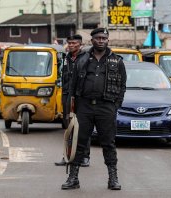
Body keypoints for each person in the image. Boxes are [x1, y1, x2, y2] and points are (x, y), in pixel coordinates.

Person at [61, 28, 127, 190]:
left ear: (107, 40)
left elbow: (122, 86)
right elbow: (72, 86)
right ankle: (73, 178)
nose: (101, 40)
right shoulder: (82, 59)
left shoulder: (117, 61)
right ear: (92, 40)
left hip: (106, 107)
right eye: (98, 38)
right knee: (78, 142)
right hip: (84, 106)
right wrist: (71, 110)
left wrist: (115, 106)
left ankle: (113, 178)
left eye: (104, 38)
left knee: (108, 143)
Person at [55, 34, 91, 167]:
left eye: (74, 43)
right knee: (68, 126)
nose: (71, 45)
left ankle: (84, 157)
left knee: (82, 127)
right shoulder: (66, 58)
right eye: (69, 43)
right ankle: (67, 156)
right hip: (66, 95)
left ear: (80, 44)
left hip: (81, 97)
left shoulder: (87, 58)